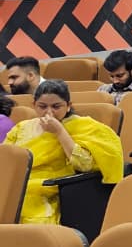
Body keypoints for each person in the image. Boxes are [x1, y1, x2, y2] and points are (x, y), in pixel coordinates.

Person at [5, 79, 123, 224]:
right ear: (34, 105)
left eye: (56, 106)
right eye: (42, 106)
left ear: (68, 106)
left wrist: (60, 132)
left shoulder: (82, 126)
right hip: (16, 186)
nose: (49, 112)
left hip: (52, 189)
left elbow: (85, 165)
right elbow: (6, 159)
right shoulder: (22, 127)